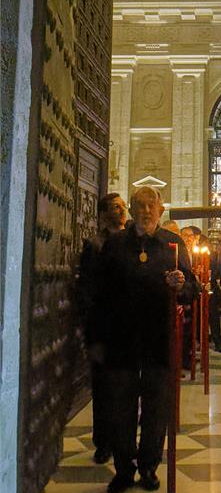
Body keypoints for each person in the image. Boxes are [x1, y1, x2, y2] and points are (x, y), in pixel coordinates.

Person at [92, 186, 195, 493]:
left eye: (152, 205)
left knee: (156, 406)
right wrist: (96, 338)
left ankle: (149, 465)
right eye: (140, 205)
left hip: (158, 339)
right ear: (133, 211)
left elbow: (192, 288)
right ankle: (124, 467)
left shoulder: (172, 244)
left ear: (161, 210)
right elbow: (100, 294)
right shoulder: (115, 245)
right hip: (121, 339)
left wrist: (182, 284)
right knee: (120, 405)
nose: (146, 211)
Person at [77, 193, 128, 464]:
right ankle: (104, 441)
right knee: (104, 386)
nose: (121, 211)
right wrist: (91, 330)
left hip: (130, 328)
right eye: (114, 207)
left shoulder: (134, 242)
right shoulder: (94, 244)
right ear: (103, 214)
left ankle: (124, 442)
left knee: (127, 388)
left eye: (122, 207)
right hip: (104, 327)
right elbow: (87, 288)